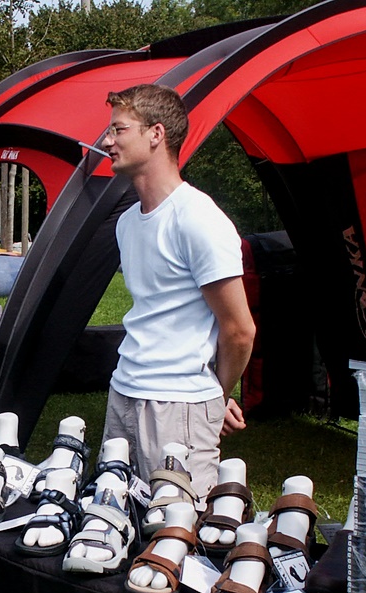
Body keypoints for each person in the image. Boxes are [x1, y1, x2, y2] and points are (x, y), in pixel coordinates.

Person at [98, 83, 255, 501]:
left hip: (180, 407)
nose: (107, 140)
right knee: (111, 520)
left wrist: (213, 399)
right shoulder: (127, 222)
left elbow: (239, 330)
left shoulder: (198, 219)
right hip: (124, 391)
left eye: (119, 129)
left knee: (175, 535)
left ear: (156, 134)